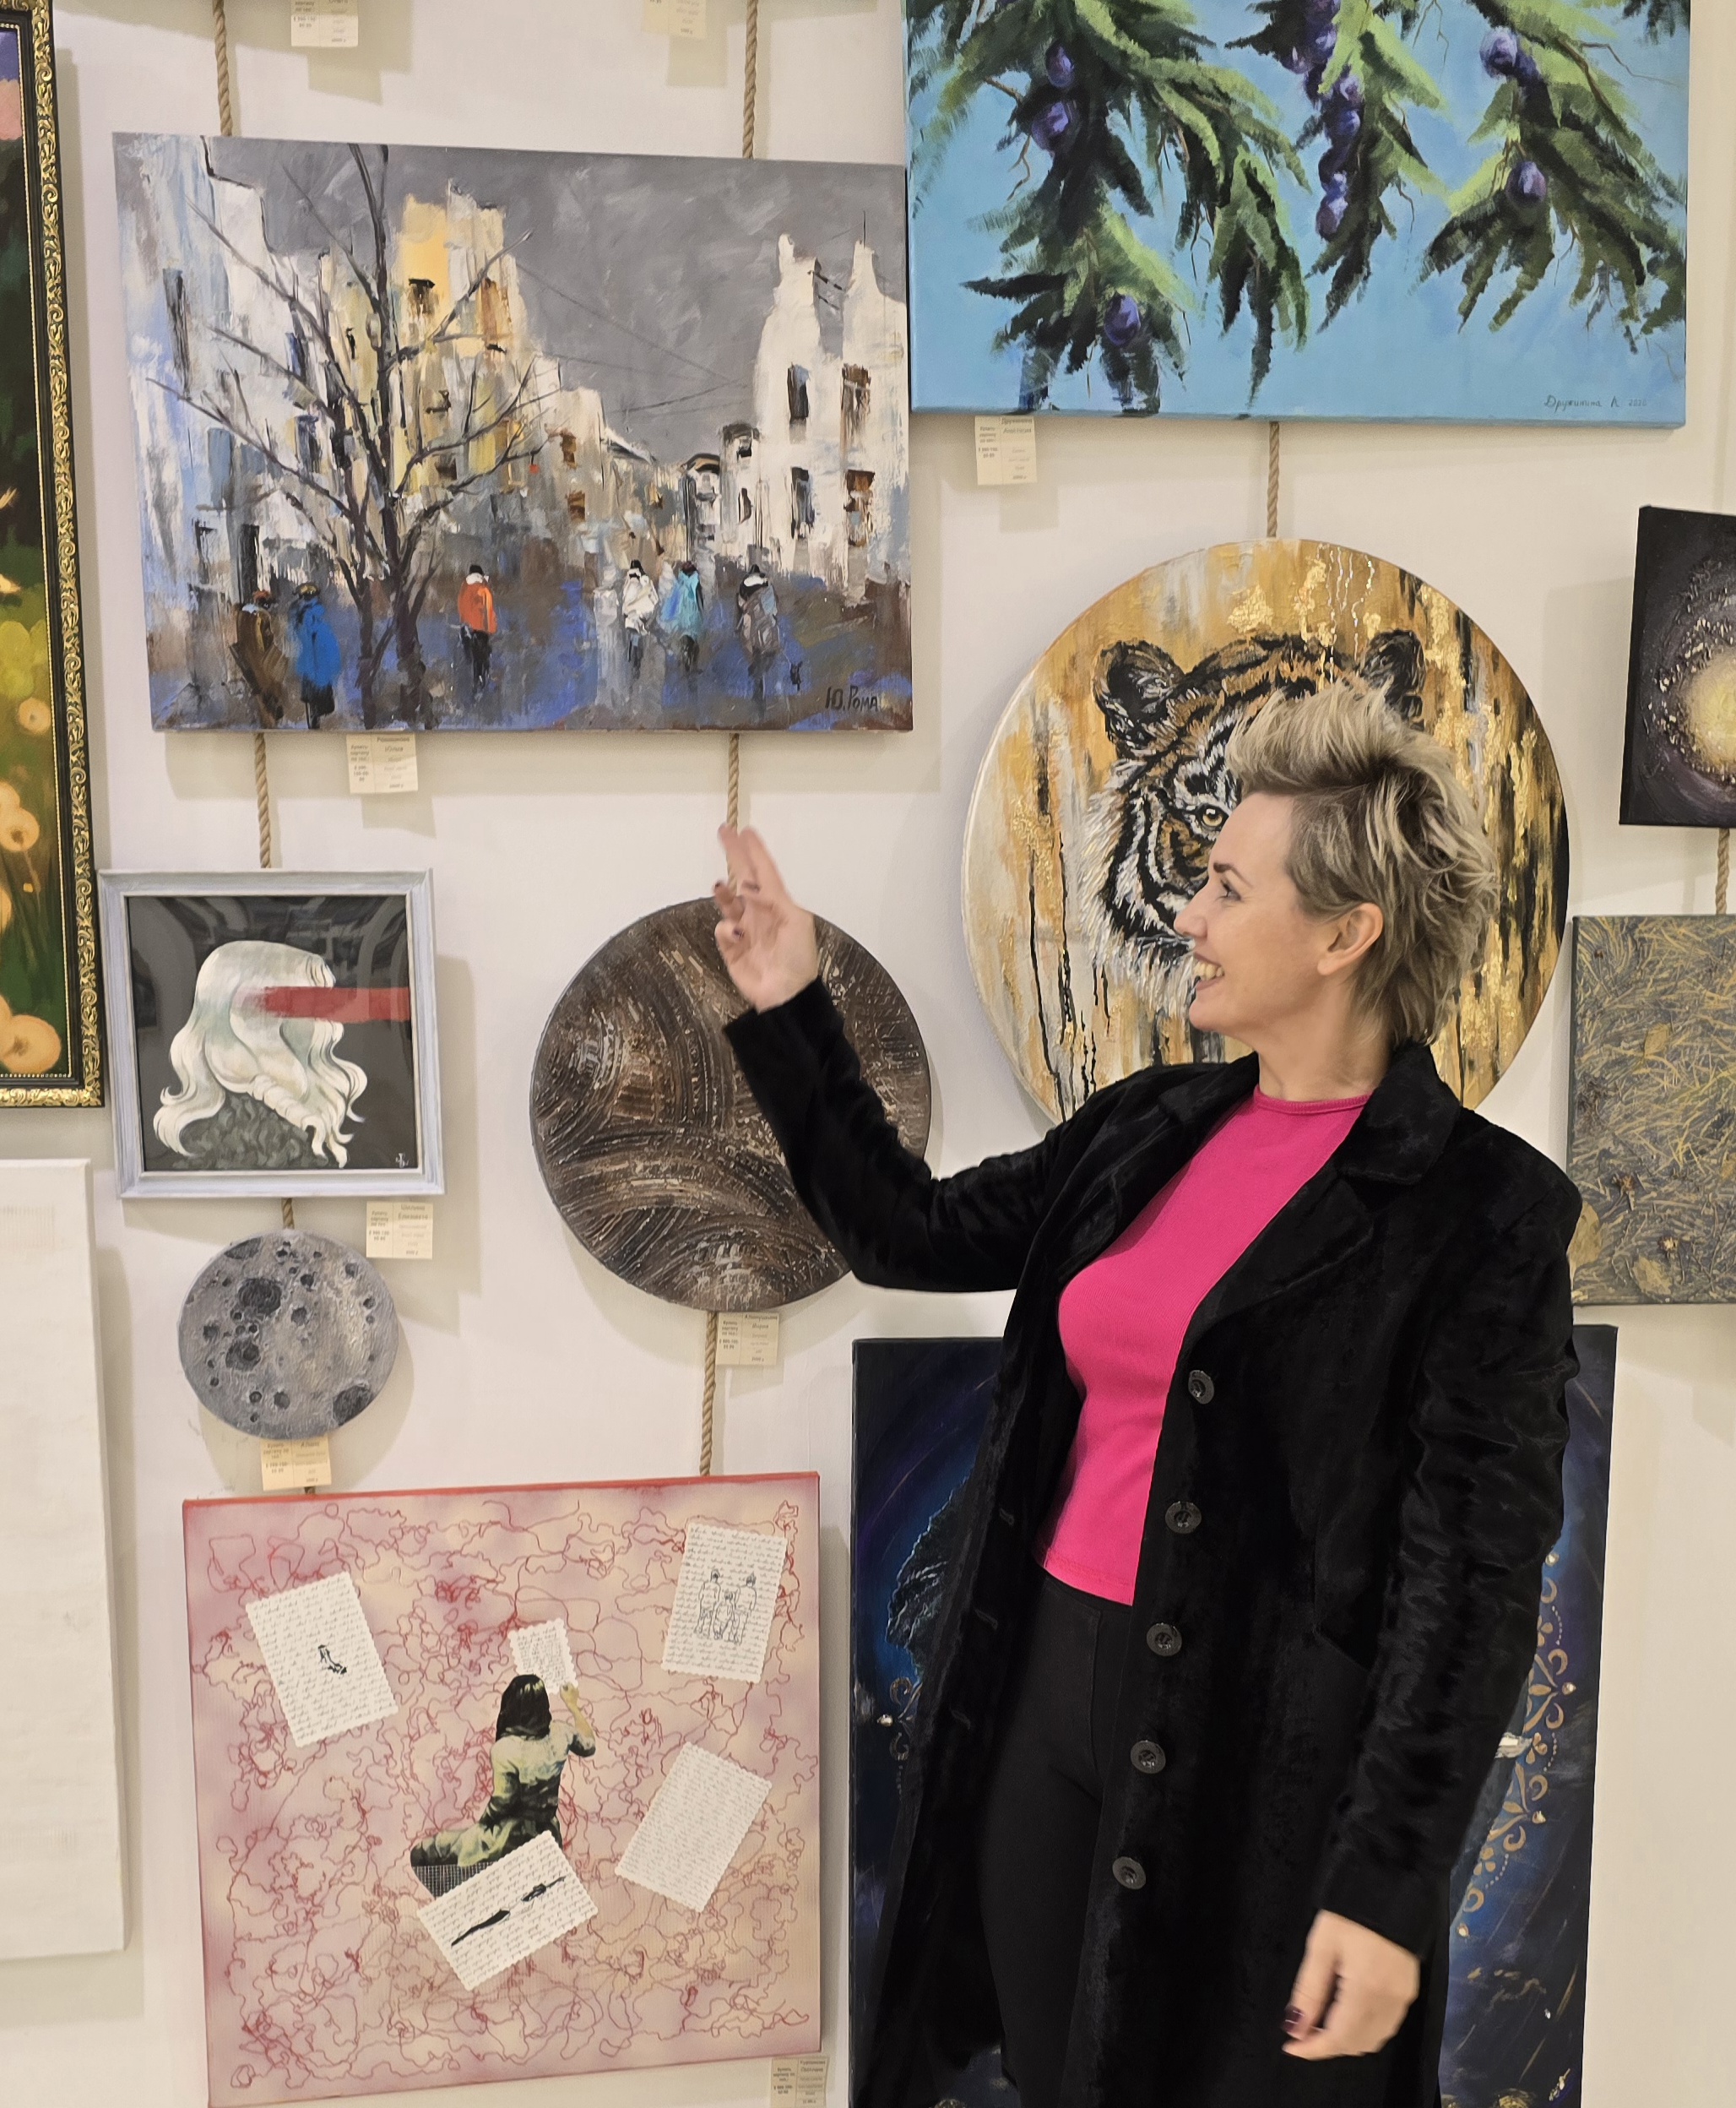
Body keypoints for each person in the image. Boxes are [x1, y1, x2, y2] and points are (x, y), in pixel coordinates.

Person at [712, 680, 1581, 2108]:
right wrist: (793, 1004)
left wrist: (1389, 1882)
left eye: (1229, 887)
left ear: (1346, 934)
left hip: (1265, 1762)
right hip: (1039, 1698)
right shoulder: (1151, 1129)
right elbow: (905, 1231)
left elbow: (1474, 1582)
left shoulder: (1480, 1211)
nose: (1188, 915)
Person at [409, 1674, 597, 1887]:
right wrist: (572, 1705)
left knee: (424, 1853)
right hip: (548, 1835)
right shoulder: (562, 1733)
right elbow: (589, 1745)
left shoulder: (505, 1749)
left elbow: (503, 1802)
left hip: (509, 1839)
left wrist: (481, 1827)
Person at [231, 585, 288, 725]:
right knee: (267, 689)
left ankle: (265, 721)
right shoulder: (262, 617)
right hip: (259, 660)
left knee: (259, 692)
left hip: (246, 658)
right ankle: (270, 720)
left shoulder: (243, 615)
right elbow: (262, 640)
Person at [289, 583, 340, 730]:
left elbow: (308, 634)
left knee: (317, 689)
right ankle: (315, 715)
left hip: (316, 657)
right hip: (313, 658)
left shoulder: (312, 613)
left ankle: (316, 715)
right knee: (314, 689)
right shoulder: (307, 612)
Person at [735, 566, 781, 704]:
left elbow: (741, 611)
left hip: (754, 633)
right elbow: (775, 608)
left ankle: (759, 695)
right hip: (769, 631)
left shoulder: (744, 589)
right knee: (768, 657)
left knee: (756, 664)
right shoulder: (768, 587)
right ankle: (767, 688)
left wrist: (738, 626)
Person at [457, 563, 497, 701]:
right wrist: (491, 629)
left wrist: (464, 622)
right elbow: (488, 610)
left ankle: (467, 684)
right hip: (481, 629)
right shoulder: (484, 589)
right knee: (481, 658)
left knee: (469, 657)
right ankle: (479, 684)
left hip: (466, 628)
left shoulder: (464, 587)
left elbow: (461, 607)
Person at [661, 557, 705, 682]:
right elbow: (700, 600)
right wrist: (702, 614)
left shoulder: (678, 583)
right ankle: (694, 666)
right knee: (695, 642)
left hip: (681, 618)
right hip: (693, 616)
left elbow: (673, 600)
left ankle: (686, 666)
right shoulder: (696, 583)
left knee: (684, 642)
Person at [621, 559, 658, 678]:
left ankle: (632, 664)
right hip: (638, 620)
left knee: (632, 641)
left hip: (629, 620)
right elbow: (651, 600)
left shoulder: (628, 583)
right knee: (637, 642)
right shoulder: (642, 582)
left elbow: (625, 602)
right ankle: (636, 666)